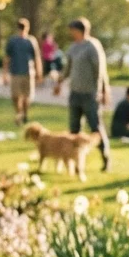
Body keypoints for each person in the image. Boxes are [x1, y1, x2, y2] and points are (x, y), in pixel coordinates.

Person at [53, 18, 111, 172]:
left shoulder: (92, 46)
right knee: (74, 129)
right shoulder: (73, 48)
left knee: (95, 127)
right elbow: (67, 69)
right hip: (75, 93)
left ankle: (105, 158)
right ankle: (75, 163)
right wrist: (59, 82)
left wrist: (102, 90)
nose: (71, 33)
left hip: (90, 94)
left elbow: (100, 70)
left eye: (73, 30)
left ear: (80, 30)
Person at [3, 18, 43, 124]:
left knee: (27, 96)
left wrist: (39, 72)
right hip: (15, 72)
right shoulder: (12, 41)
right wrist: (5, 74)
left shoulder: (31, 41)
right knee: (15, 96)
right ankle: (19, 112)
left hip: (28, 72)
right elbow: (7, 58)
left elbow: (36, 58)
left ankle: (24, 114)